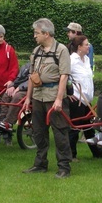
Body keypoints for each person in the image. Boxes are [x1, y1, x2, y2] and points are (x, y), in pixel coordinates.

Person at [23, 18, 73, 179]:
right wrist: (27, 98)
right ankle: (40, 164)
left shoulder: (61, 50)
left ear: (46, 34)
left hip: (54, 97)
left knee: (60, 132)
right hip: (38, 96)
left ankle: (64, 166)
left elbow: (64, 76)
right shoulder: (36, 51)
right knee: (38, 132)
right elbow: (32, 76)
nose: (34, 36)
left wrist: (59, 99)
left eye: (36, 33)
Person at [67, 35, 102, 159]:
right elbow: (63, 77)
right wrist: (67, 93)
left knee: (89, 127)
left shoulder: (86, 59)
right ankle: (71, 155)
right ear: (79, 47)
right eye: (86, 44)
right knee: (75, 128)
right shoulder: (71, 60)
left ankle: (97, 153)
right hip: (77, 99)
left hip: (87, 100)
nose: (88, 46)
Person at [0, 63, 31, 145]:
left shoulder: (39, 66)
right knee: (6, 95)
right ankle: (3, 120)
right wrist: (12, 86)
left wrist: (19, 88)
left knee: (17, 97)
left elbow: (33, 80)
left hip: (30, 90)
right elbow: (18, 79)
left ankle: (9, 122)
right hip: (21, 88)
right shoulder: (25, 66)